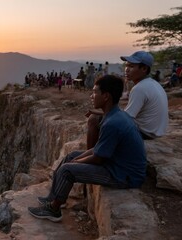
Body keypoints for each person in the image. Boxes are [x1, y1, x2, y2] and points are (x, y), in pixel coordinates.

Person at [28, 75, 147, 222]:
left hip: (123, 175)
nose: (92, 96)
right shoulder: (115, 115)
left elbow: (98, 158)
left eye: (95, 92)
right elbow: (99, 148)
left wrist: (78, 163)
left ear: (106, 96)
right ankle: (54, 198)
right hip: (116, 163)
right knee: (70, 157)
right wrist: (77, 158)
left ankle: (54, 210)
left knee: (67, 169)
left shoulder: (113, 123)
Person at [86, 51, 168, 149]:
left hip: (145, 133)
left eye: (131, 66)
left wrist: (98, 113)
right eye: (126, 66)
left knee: (93, 119)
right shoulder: (153, 84)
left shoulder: (139, 88)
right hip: (156, 131)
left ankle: (93, 156)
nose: (127, 70)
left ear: (144, 69)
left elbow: (125, 119)